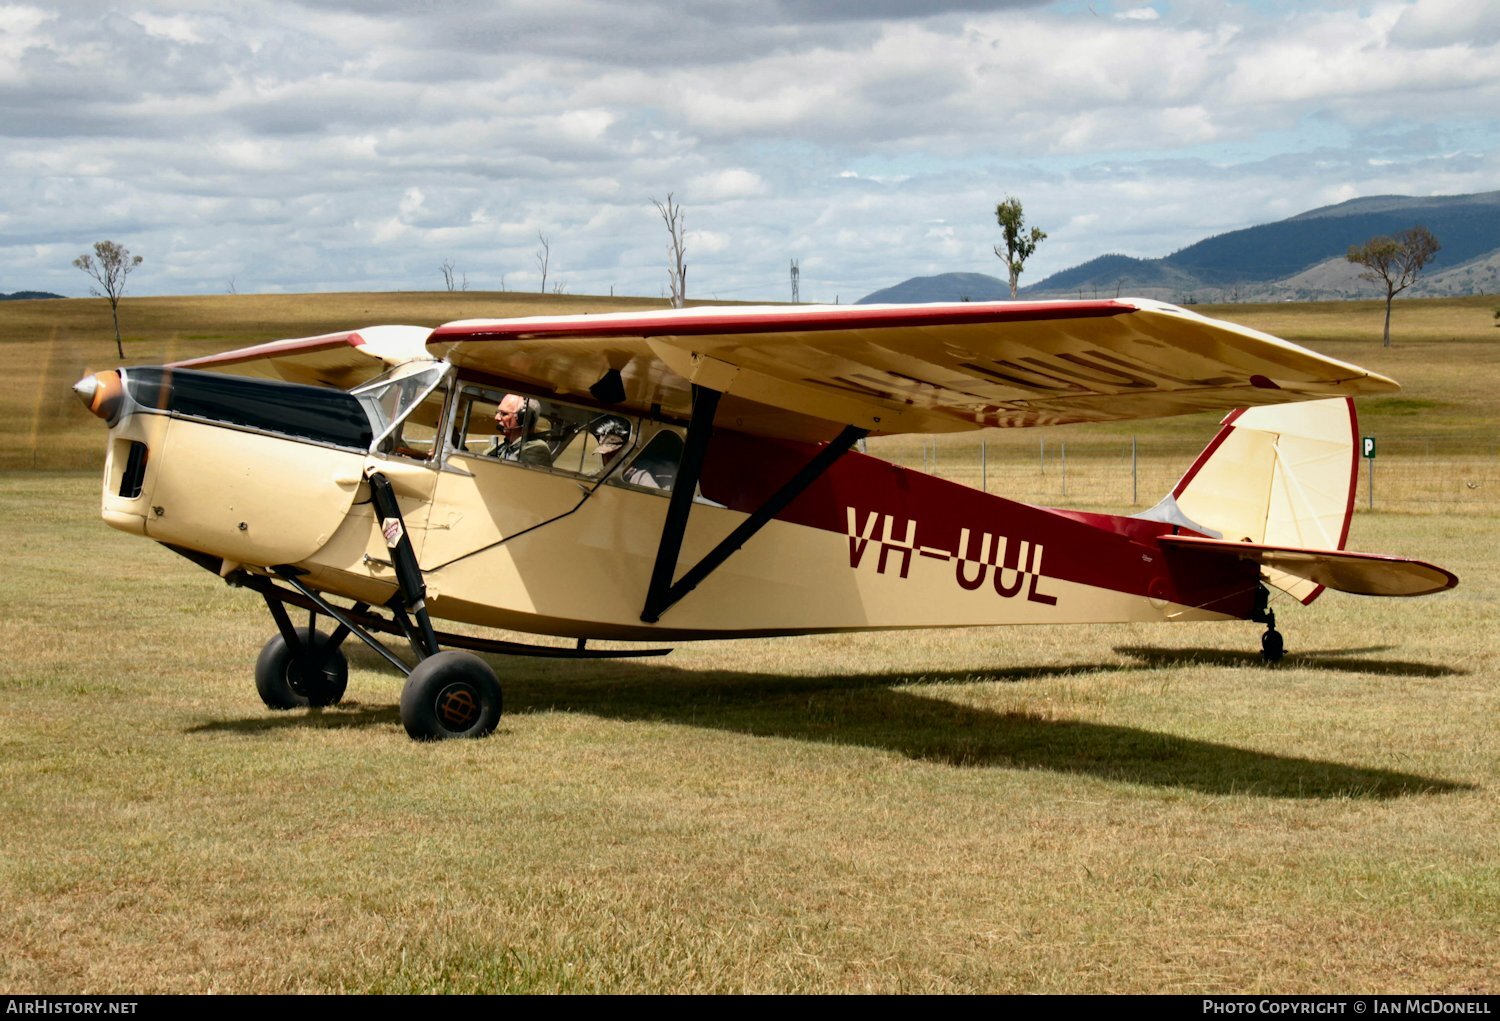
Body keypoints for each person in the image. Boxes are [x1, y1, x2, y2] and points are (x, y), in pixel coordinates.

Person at [490, 394, 551, 467]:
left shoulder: (537, 449)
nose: (496, 417)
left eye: (504, 414)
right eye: (498, 412)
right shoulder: (502, 446)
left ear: (523, 419)